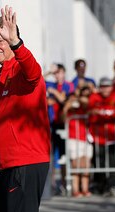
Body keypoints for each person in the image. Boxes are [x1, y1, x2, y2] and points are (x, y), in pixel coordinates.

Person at [0, 5, 51, 212]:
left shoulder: (21, 68)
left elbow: (33, 72)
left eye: (0, 41)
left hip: (26, 165)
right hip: (10, 165)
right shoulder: (3, 74)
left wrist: (16, 43)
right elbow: (10, 127)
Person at [88, 77, 115, 197]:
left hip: (113, 136)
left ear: (111, 87)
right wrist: (96, 112)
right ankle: (101, 185)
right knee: (99, 162)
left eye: (108, 86)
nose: (105, 89)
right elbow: (89, 111)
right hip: (98, 136)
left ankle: (112, 185)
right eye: (103, 86)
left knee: (112, 162)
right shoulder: (94, 97)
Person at [45, 63, 74, 194]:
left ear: (64, 73)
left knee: (63, 156)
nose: (57, 75)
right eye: (56, 73)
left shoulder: (68, 85)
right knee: (49, 156)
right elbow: (38, 79)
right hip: (50, 125)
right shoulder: (51, 84)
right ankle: (51, 184)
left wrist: (53, 94)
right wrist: (49, 72)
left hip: (62, 124)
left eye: (59, 72)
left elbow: (63, 99)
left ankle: (64, 183)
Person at [62, 86, 93, 197]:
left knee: (86, 164)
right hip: (73, 139)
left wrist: (78, 99)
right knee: (75, 164)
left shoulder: (83, 107)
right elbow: (63, 119)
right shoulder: (69, 110)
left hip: (85, 138)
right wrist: (66, 107)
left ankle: (85, 188)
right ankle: (76, 189)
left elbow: (87, 104)